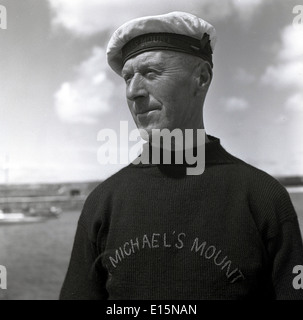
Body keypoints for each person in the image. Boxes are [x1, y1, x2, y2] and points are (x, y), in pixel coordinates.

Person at [60, 11, 303, 300]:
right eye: (127, 78)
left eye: (151, 73)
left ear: (201, 78)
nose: (133, 91)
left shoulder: (264, 199)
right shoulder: (102, 205)